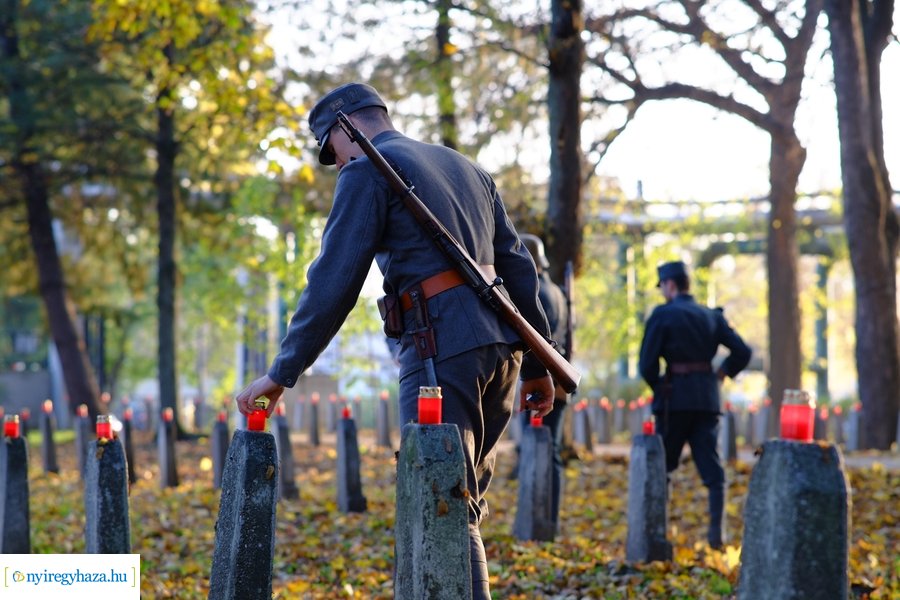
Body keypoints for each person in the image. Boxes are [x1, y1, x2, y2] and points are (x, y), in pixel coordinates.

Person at [234, 82, 555, 598]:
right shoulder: (466, 167)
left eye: (331, 150)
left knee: (444, 500)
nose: (336, 164)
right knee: (461, 499)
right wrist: (539, 361)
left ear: (346, 126)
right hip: (502, 352)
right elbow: (519, 268)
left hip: (440, 346)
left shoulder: (367, 171)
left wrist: (281, 372)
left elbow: (333, 282)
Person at [638, 260, 751, 549]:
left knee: (663, 467)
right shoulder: (711, 316)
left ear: (671, 285)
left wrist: (659, 386)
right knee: (712, 469)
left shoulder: (663, 315)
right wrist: (722, 373)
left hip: (673, 400)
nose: (663, 291)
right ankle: (717, 534)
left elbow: (647, 364)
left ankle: (658, 531)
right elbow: (743, 351)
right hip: (707, 399)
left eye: (662, 286)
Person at [510, 233, 569, 537]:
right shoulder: (557, 291)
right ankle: (548, 519)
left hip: (537, 375)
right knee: (551, 451)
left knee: (534, 449)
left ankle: (537, 520)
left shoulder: (534, 293)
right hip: (557, 377)